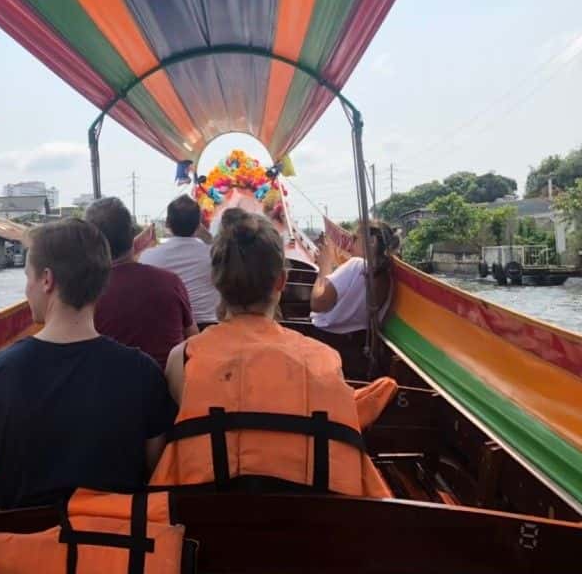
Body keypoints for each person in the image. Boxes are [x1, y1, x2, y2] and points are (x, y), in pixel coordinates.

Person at [0, 219, 178, 509]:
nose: (26, 290)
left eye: (27, 277)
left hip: (23, 549)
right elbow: (156, 472)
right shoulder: (143, 373)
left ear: (46, 280)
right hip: (115, 548)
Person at [152, 212, 392, 497]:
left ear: (215, 281)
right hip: (309, 528)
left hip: (208, 528)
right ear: (281, 282)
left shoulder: (183, 358)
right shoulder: (327, 360)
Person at [86, 197, 198, 366]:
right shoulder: (170, 282)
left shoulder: (86, 293)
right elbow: (193, 338)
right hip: (166, 387)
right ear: (132, 235)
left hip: (108, 387)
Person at [139, 195, 221, 325]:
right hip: (210, 326)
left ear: (167, 222)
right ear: (199, 224)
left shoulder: (149, 257)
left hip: (171, 329)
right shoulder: (216, 254)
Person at [309, 221, 400, 334]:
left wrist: (324, 266)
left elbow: (317, 304)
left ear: (372, 242)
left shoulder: (357, 264)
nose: (351, 244)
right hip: (360, 340)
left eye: (355, 238)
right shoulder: (388, 277)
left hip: (326, 336)